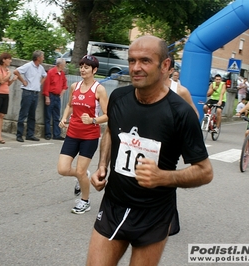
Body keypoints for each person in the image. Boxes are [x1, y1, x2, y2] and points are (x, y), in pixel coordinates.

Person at [87, 36, 213, 265]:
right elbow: (110, 133)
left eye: (145, 60)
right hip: (113, 204)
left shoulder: (181, 113)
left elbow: (205, 171)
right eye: (132, 60)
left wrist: (163, 177)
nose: (136, 68)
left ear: (164, 65)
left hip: (154, 214)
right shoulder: (118, 97)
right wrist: (102, 166)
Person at [57, 55, 108, 214]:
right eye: (81, 66)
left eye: (86, 67)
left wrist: (93, 120)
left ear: (94, 70)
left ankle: (85, 201)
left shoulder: (99, 89)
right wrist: (65, 117)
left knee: (79, 171)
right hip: (72, 132)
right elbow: (70, 105)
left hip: (89, 136)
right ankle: (83, 175)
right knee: (62, 169)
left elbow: (108, 115)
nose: (82, 70)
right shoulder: (75, 86)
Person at [13, 50, 47, 142]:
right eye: (42, 56)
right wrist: (23, 81)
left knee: (32, 115)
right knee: (23, 113)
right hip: (28, 92)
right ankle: (19, 134)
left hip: (35, 92)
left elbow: (45, 75)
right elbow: (16, 71)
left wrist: (39, 83)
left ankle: (30, 134)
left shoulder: (40, 68)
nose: (43, 58)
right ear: (38, 58)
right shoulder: (28, 65)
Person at [43, 58, 68, 140]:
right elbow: (46, 85)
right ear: (60, 65)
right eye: (64, 64)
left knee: (56, 116)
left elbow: (65, 85)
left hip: (57, 96)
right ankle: (47, 134)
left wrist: (62, 92)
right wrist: (47, 97)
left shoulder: (62, 73)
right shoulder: (51, 72)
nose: (65, 66)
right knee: (48, 116)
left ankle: (56, 134)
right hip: (51, 95)